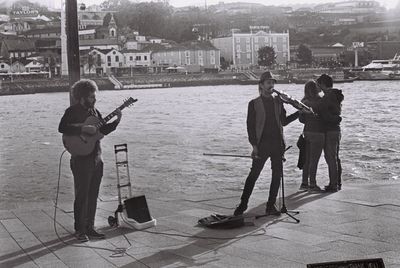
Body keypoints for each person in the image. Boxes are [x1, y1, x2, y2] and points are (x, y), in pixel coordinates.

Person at [58, 79, 122, 242]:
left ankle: (90, 227)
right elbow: (62, 128)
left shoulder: (95, 112)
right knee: (82, 195)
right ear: (82, 97)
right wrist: (82, 128)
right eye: (91, 97)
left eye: (94, 96)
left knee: (93, 195)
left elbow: (101, 131)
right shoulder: (71, 111)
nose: (94, 99)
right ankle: (79, 230)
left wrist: (116, 122)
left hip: (96, 157)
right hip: (81, 160)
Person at [233, 71, 300, 216]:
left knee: (277, 175)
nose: (271, 85)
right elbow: (250, 127)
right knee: (254, 175)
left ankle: (271, 205)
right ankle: (242, 205)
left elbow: (284, 121)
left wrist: (300, 112)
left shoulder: (278, 101)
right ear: (261, 85)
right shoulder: (254, 104)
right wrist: (254, 146)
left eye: (273, 83)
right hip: (262, 144)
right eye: (268, 83)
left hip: (277, 144)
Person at [316, 74, 343, 192]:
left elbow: (320, 110)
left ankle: (333, 185)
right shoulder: (335, 94)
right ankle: (337, 182)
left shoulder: (328, 96)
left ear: (322, 84)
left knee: (330, 157)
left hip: (330, 130)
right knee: (335, 157)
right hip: (336, 130)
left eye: (319, 84)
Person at [298, 80, 325, 192]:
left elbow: (301, 119)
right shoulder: (320, 101)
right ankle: (313, 184)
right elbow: (324, 117)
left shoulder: (303, 102)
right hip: (318, 132)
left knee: (307, 159)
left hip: (307, 132)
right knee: (314, 160)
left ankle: (304, 183)